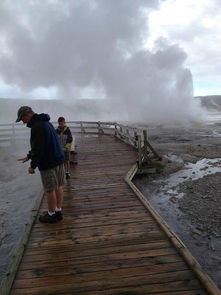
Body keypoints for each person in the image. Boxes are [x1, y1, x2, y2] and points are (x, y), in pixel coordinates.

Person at [16, 106, 65, 223]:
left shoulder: (37, 127)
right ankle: (58, 211)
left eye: (22, 119)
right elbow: (43, 143)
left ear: (27, 114)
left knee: (49, 189)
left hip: (48, 162)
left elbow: (38, 149)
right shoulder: (45, 122)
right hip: (58, 158)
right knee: (59, 186)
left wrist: (32, 166)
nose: (23, 122)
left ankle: (51, 214)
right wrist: (29, 156)